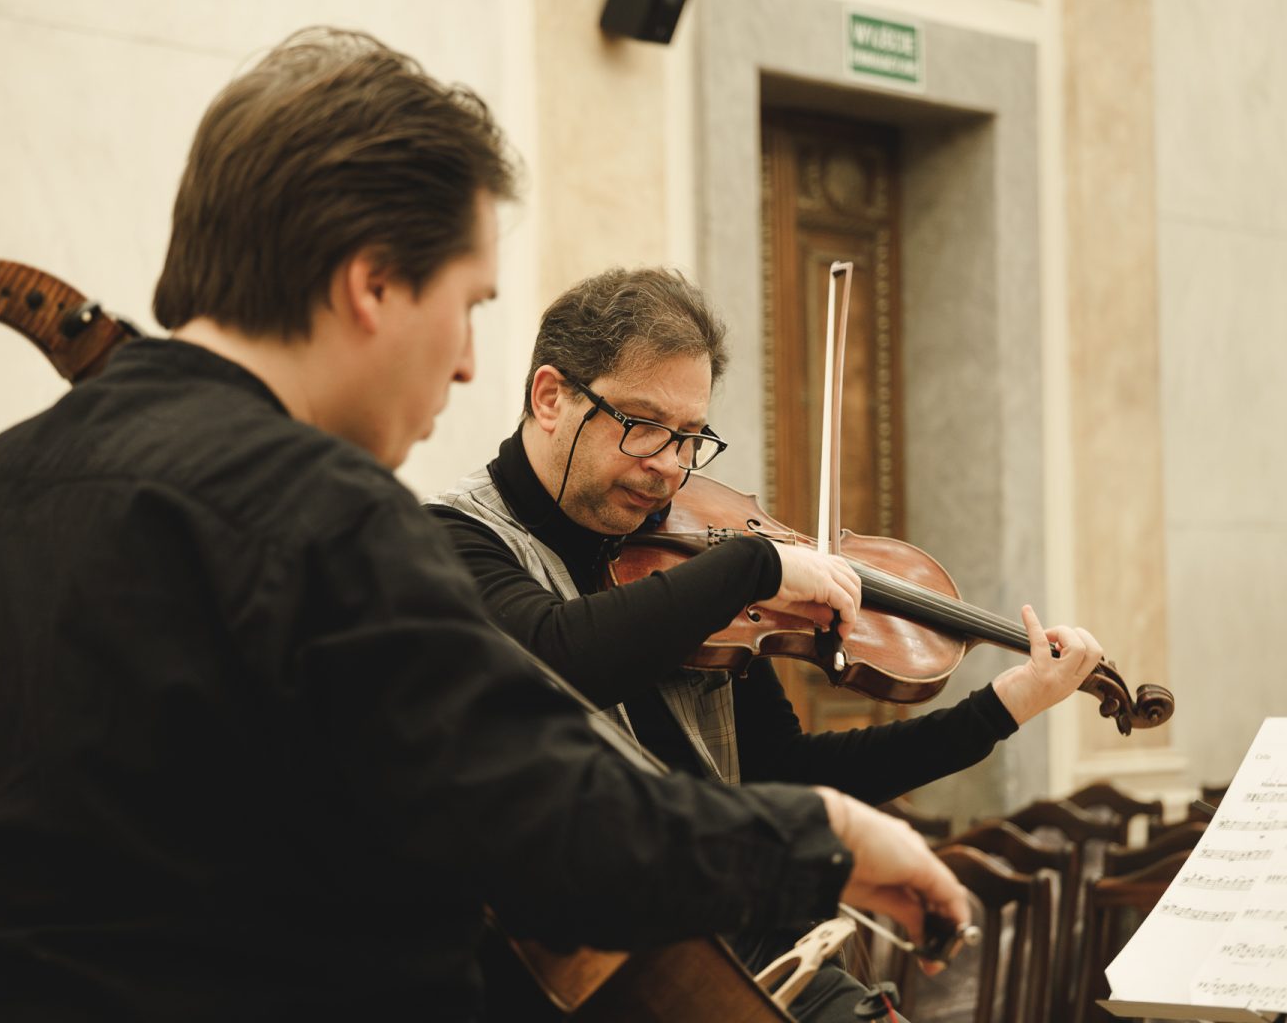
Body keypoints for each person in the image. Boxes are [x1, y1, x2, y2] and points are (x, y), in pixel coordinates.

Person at [0, 29, 968, 1023]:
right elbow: (554, 817)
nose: (464, 361)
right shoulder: (318, 511)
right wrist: (824, 835)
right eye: (470, 304)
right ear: (373, 284)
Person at [425, 266, 1106, 1020]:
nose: (670, 466)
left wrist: (1002, 707)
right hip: (609, 982)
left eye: (690, 437)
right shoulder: (455, 541)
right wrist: (754, 566)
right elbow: (556, 658)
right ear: (551, 397)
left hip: (761, 956)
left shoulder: (691, 571)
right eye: (642, 424)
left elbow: (787, 772)